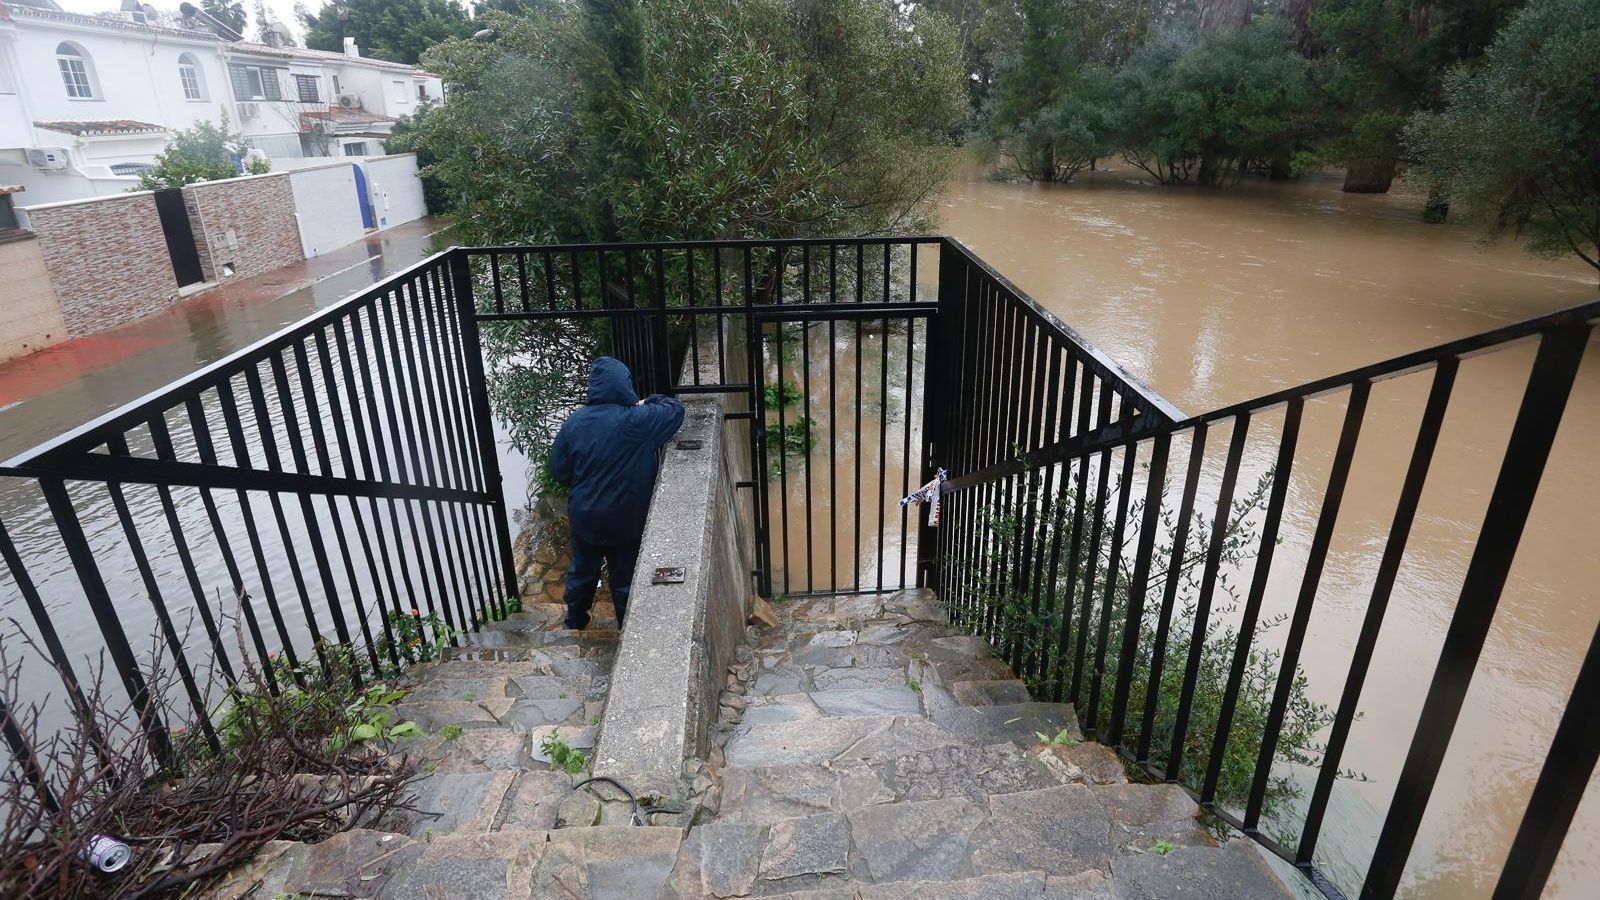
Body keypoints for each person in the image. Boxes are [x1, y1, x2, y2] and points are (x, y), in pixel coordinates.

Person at [550, 357, 685, 629]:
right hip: (626, 516)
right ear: (624, 386)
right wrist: (648, 401)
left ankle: (575, 621)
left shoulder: (573, 424)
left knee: (582, 569)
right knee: (624, 575)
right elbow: (675, 409)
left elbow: (560, 472)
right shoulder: (637, 420)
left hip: (585, 515)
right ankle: (626, 628)